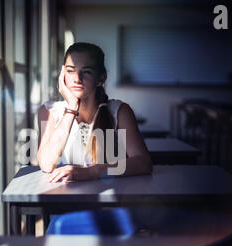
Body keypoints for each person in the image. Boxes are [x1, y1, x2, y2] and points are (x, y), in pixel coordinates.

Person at [37, 42, 152, 183]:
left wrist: (92, 172)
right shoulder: (49, 111)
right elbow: (47, 165)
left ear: (101, 79)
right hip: (63, 199)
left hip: (110, 198)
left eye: (86, 72)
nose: (77, 79)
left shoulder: (120, 111)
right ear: (62, 75)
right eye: (70, 70)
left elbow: (144, 163)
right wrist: (72, 108)